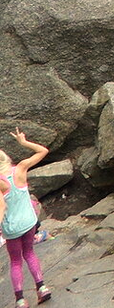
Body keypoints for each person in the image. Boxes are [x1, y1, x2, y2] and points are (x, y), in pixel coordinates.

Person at [1, 129, 51, 306]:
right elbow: (43, 151)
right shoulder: (21, 168)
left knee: (15, 261)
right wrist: (24, 142)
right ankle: (42, 287)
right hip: (29, 222)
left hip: (12, 228)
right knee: (29, 253)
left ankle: (21, 300)